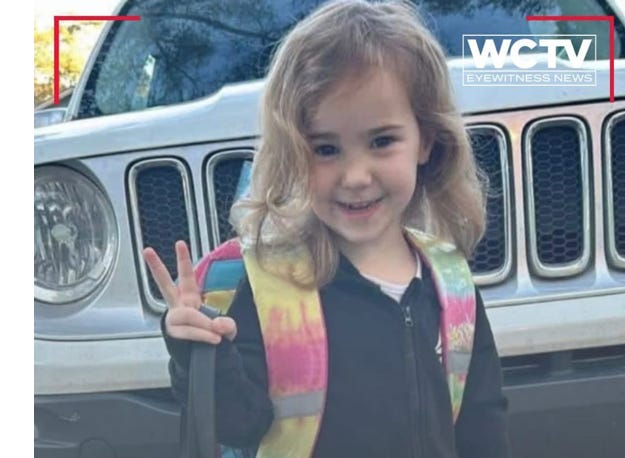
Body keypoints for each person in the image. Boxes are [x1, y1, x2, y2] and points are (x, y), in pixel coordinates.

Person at [143, 1, 511, 456]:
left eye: (381, 141)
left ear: (426, 141)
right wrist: (200, 353)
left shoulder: (451, 283)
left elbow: (482, 423)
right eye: (325, 149)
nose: (355, 176)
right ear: (294, 152)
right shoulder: (274, 285)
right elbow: (238, 424)